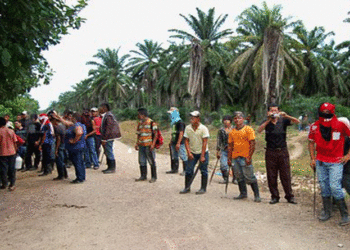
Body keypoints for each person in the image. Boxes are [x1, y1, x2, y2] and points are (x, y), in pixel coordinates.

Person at [308, 103, 350, 226]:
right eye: (323, 110)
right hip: (320, 161)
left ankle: (345, 215)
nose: (325, 112)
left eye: (328, 110)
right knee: (324, 186)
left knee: (335, 187)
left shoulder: (341, 124)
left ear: (333, 111)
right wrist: (312, 158)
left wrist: (348, 155)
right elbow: (311, 142)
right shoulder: (314, 126)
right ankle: (327, 211)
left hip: (336, 162)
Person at [257, 103, 299, 204]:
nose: (274, 112)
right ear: (268, 112)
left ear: (279, 111)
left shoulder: (283, 120)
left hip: (283, 151)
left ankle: (289, 196)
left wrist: (286, 115)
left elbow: (297, 121)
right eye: (272, 110)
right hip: (270, 151)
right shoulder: (267, 121)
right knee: (271, 175)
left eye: (276, 110)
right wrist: (268, 120)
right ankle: (274, 196)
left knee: (285, 174)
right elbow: (259, 130)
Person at [228, 112, 261, 202]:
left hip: (245, 156)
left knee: (249, 176)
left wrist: (249, 157)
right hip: (235, 157)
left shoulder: (248, 129)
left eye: (239, 118)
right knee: (239, 176)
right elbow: (230, 146)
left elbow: (252, 144)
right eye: (235, 118)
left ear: (243, 119)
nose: (237, 120)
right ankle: (243, 193)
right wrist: (229, 158)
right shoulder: (232, 132)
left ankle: (257, 195)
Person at [180, 111, 210, 195]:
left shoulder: (203, 128)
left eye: (194, 117)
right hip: (192, 152)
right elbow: (186, 140)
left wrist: (203, 156)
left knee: (203, 171)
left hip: (202, 152)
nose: (191, 118)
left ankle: (203, 188)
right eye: (191, 117)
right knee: (189, 170)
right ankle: (187, 187)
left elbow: (205, 142)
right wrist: (189, 153)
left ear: (198, 119)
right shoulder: (188, 128)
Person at [55, 113, 87, 184]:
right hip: (79, 146)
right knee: (80, 161)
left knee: (77, 162)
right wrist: (58, 117)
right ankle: (82, 176)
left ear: (74, 118)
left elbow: (79, 132)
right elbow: (66, 122)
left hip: (76, 147)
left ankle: (79, 178)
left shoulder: (77, 125)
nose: (70, 118)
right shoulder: (78, 124)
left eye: (71, 117)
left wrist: (74, 140)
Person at [135, 108, 158, 183]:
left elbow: (156, 134)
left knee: (151, 161)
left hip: (149, 145)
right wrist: (137, 143)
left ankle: (154, 177)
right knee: (141, 161)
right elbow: (139, 134)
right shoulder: (140, 123)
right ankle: (143, 176)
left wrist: (153, 144)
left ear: (143, 115)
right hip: (141, 145)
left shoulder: (151, 122)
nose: (138, 116)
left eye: (139, 114)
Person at [99, 103, 121, 174]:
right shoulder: (107, 115)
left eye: (101, 108)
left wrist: (104, 139)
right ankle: (109, 167)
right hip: (108, 137)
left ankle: (112, 168)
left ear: (105, 108)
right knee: (108, 151)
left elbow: (109, 128)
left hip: (109, 137)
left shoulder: (108, 116)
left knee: (109, 151)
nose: (100, 109)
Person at [166, 107, 188, 175]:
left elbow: (181, 132)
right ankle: (174, 169)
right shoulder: (173, 123)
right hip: (174, 141)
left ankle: (186, 170)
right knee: (174, 156)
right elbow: (173, 133)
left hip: (180, 142)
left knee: (183, 156)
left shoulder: (180, 122)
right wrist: (171, 141)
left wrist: (178, 143)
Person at [0, 117, 18, 191]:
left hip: (2, 153)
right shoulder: (11, 131)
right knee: (12, 168)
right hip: (12, 152)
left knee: (3, 169)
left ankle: (4, 183)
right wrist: (15, 150)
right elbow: (15, 142)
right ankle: (12, 184)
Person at [216, 115, 234, 184]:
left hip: (233, 150)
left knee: (234, 165)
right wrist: (218, 151)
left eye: (227, 120)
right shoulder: (221, 130)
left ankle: (235, 179)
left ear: (230, 121)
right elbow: (219, 141)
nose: (226, 122)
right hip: (224, 149)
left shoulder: (234, 129)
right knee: (223, 165)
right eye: (224, 120)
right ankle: (225, 178)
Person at [50, 115, 68, 180]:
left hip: (60, 145)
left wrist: (56, 149)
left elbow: (58, 139)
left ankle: (61, 175)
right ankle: (65, 174)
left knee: (59, 160)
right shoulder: (63, 126)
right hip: (64, 144)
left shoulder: (56, 127)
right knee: (62, 160)